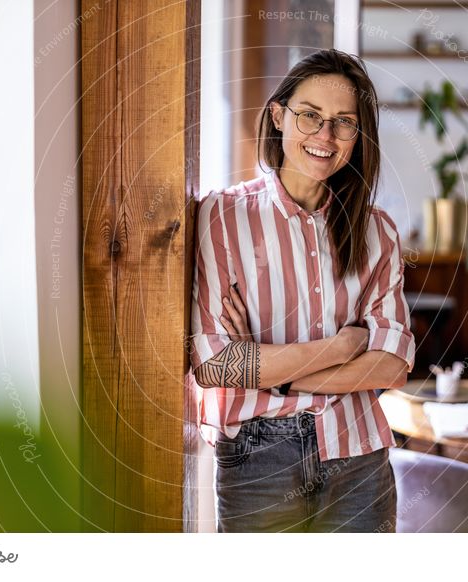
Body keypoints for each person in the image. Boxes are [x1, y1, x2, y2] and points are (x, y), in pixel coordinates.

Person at [189, 48, 415, 533]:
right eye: (309, 116)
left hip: (358, 451)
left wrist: (273, 370)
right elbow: (213, 365)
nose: (325, 136)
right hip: (257, 455)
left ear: (359, 136)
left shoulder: (379, 232)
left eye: (344, 123)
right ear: (278, 115)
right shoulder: (223, 216)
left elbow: (392, 365)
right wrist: (339, 348)